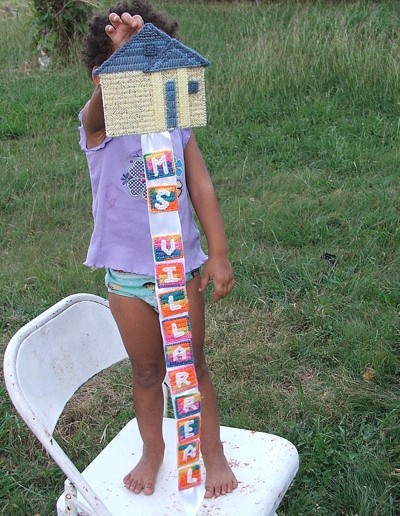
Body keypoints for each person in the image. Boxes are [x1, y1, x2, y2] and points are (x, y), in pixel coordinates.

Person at [80, 0, 238, 499]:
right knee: (147, 372)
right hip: (128, 282)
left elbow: (202, 188)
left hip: (181, 275)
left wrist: (218, 253)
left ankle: (212, 454)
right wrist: (121, 59)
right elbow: (100, 105)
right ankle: (154, 449)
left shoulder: (176, 126)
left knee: (191, 366)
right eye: (123, 69)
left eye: (149, 66)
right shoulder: (98, 128)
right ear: (99, 77)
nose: (139, 80)